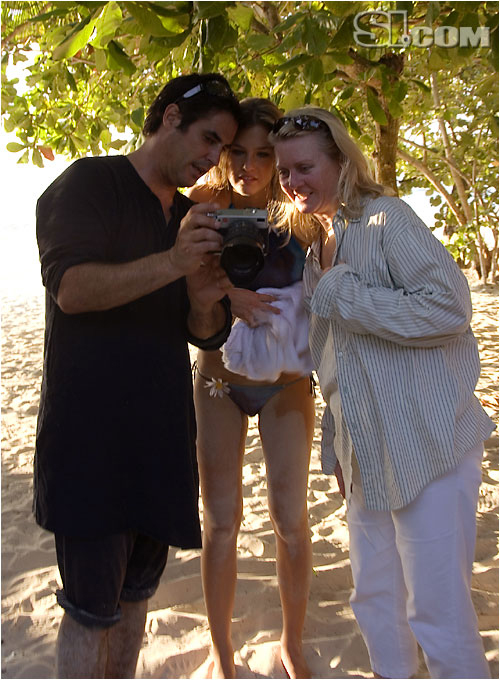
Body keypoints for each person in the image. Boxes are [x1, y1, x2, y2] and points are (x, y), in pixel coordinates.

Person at [270, 107, 495, 679]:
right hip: (365, 458)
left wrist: (342, 293)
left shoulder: (386, 219)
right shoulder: (318, 246)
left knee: (438, 613)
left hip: (430, 446)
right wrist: (336, 448)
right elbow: (335, 364)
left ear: (341, 162)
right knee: (375, 603)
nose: (292, 182)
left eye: (304, 167)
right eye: (284, 171)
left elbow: (450, 308)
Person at [34, 73, 240, 679]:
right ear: (171, 117)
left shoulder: (189, 215)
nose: (213, 159)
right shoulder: (87, 183)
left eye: (223, 149)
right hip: (89, 441)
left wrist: (202, 297)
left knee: (135, 600)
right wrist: (174, 261)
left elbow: (205, 332)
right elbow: (72, 290)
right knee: (89, 611)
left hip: (162, 441)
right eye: (208, 138)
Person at [186, 99, 315, 679]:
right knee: (220, 521)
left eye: (265, 155)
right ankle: (221, 651)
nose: (250, 166)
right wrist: (226, 294)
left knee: (291, 519)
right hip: (219, 382)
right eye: (238, 152)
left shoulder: (301, 214)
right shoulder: (203, 206)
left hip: (287, 385)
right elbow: (174, 279)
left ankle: (293, 644)